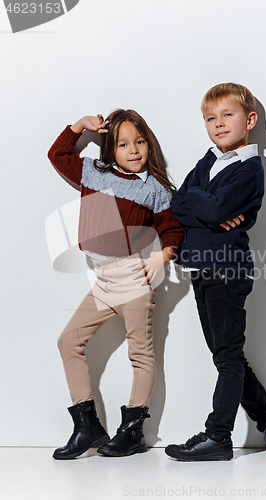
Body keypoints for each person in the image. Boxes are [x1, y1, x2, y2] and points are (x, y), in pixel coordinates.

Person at [165, 83, 266, 461]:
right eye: (210, 118)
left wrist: (207, 207)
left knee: (227, 357)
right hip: (202, 269)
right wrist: (205, 207)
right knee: (227, 355)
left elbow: (212, 209)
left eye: (227, 115)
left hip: (227, 270)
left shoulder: (250, 168)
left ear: (249, 120)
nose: (218, 124)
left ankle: (218, 436)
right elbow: (179, 203)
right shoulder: (207, 160)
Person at [48, 110, 183, 460]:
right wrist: (79, 126)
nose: (133, 150)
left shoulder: (153, 189)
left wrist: (163, 256)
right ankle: (86, 425)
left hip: (132, 280)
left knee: (140, 354)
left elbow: (173, 229)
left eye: (139, 142)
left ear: (148, 145)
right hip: (102, 281)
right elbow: (57, 155)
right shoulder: (92, 172)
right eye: (123, 144)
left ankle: (132, 430)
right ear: (111, 148)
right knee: (68, 341)